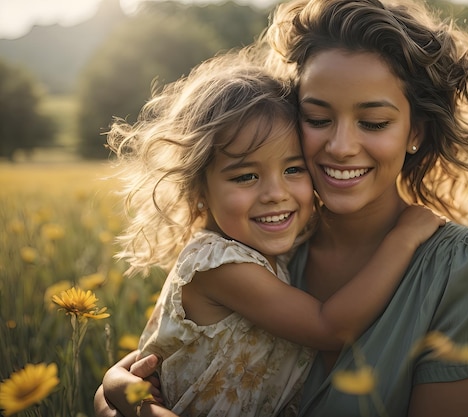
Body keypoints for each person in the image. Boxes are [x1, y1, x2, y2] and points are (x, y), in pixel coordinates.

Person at [95, 0, 468, 416]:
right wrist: (116, 394)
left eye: (374, 122)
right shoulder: (269, 247)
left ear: (414, 131)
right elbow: (176, 366)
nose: (341, 147)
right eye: (318, 119)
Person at [100, 51, 444, 417]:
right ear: (199, 191)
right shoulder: (219, 264)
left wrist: (114, 383)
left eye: (294, 169)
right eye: (246, 176)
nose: (275, 193)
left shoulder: (272, 254)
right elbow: (329, 327)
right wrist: (403, 240)